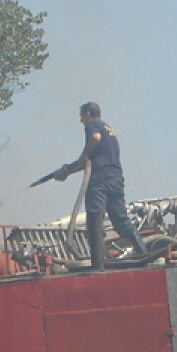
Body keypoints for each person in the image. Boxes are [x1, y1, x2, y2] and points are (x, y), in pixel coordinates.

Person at [53, 101, 146, 270]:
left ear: (88, 114)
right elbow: (88, 162)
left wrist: (83, 154)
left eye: (82, 116)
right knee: (122, 221)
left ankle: (98, 266)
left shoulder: (93, 125)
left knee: (95, 221)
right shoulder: (109, 128)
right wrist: (67, 171)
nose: (81, 120)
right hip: (115, 179)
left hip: (100, 181)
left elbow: (94, 141)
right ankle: (144, 255)